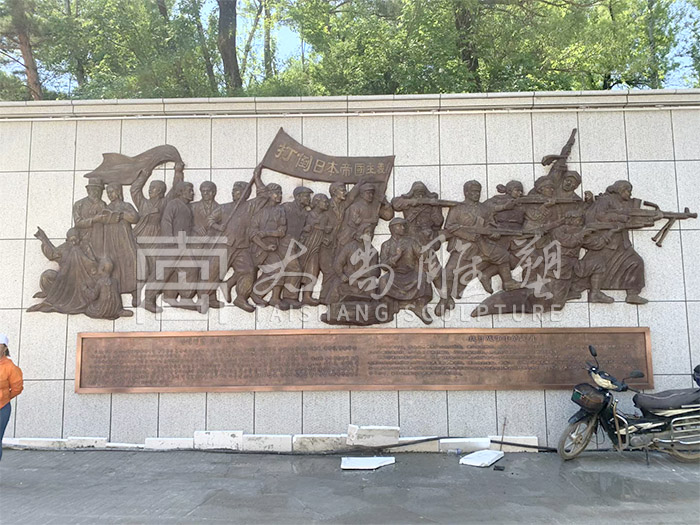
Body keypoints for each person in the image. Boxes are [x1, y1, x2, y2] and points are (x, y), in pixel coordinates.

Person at [0, 333, 23, 462]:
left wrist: (4, 397)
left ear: (4, 348)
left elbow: (17, 388)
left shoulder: (10, 367)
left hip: (2, 408)